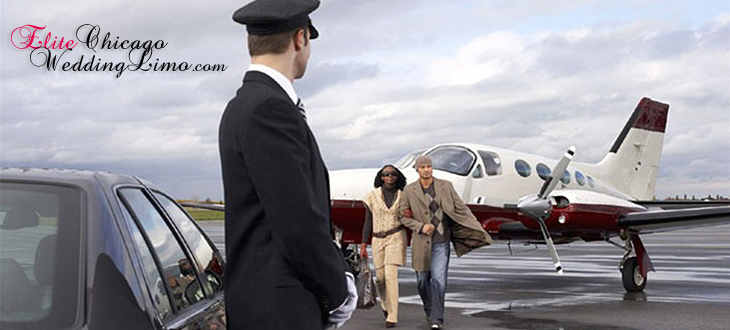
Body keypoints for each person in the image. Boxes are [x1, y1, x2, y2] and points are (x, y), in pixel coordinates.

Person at [219, 0, 356, 328]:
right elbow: (298, 221)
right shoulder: (270, 109)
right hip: (281, 309)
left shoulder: (244, 105)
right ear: (300, 38)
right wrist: (339, 291)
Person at [399, 155, 493, 329]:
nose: (426, 170)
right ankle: (429, 309)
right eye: (423, 167)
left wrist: (475, 226)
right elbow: (402, 215)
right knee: (422, 281)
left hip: (441, 242)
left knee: (439, 280)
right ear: (417, 170)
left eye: (429, 166)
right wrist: (420, 226)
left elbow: (460, 208)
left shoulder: (446, 186)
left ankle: (437, 319)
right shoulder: (409, 191)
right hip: (421, 242)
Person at [360, 165, 408, 328]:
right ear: (381, 177)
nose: (390, 176)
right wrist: (363, 244)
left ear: (397, 176)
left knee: (390, 275)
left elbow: (410, 217)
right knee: (380, 279)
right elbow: (368, 221)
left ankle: (393, 315)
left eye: (393, 174)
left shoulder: (403, 195)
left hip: (396, 236)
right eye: (386, 174)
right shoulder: (372, 196)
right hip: (377, 240)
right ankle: (385, 306)